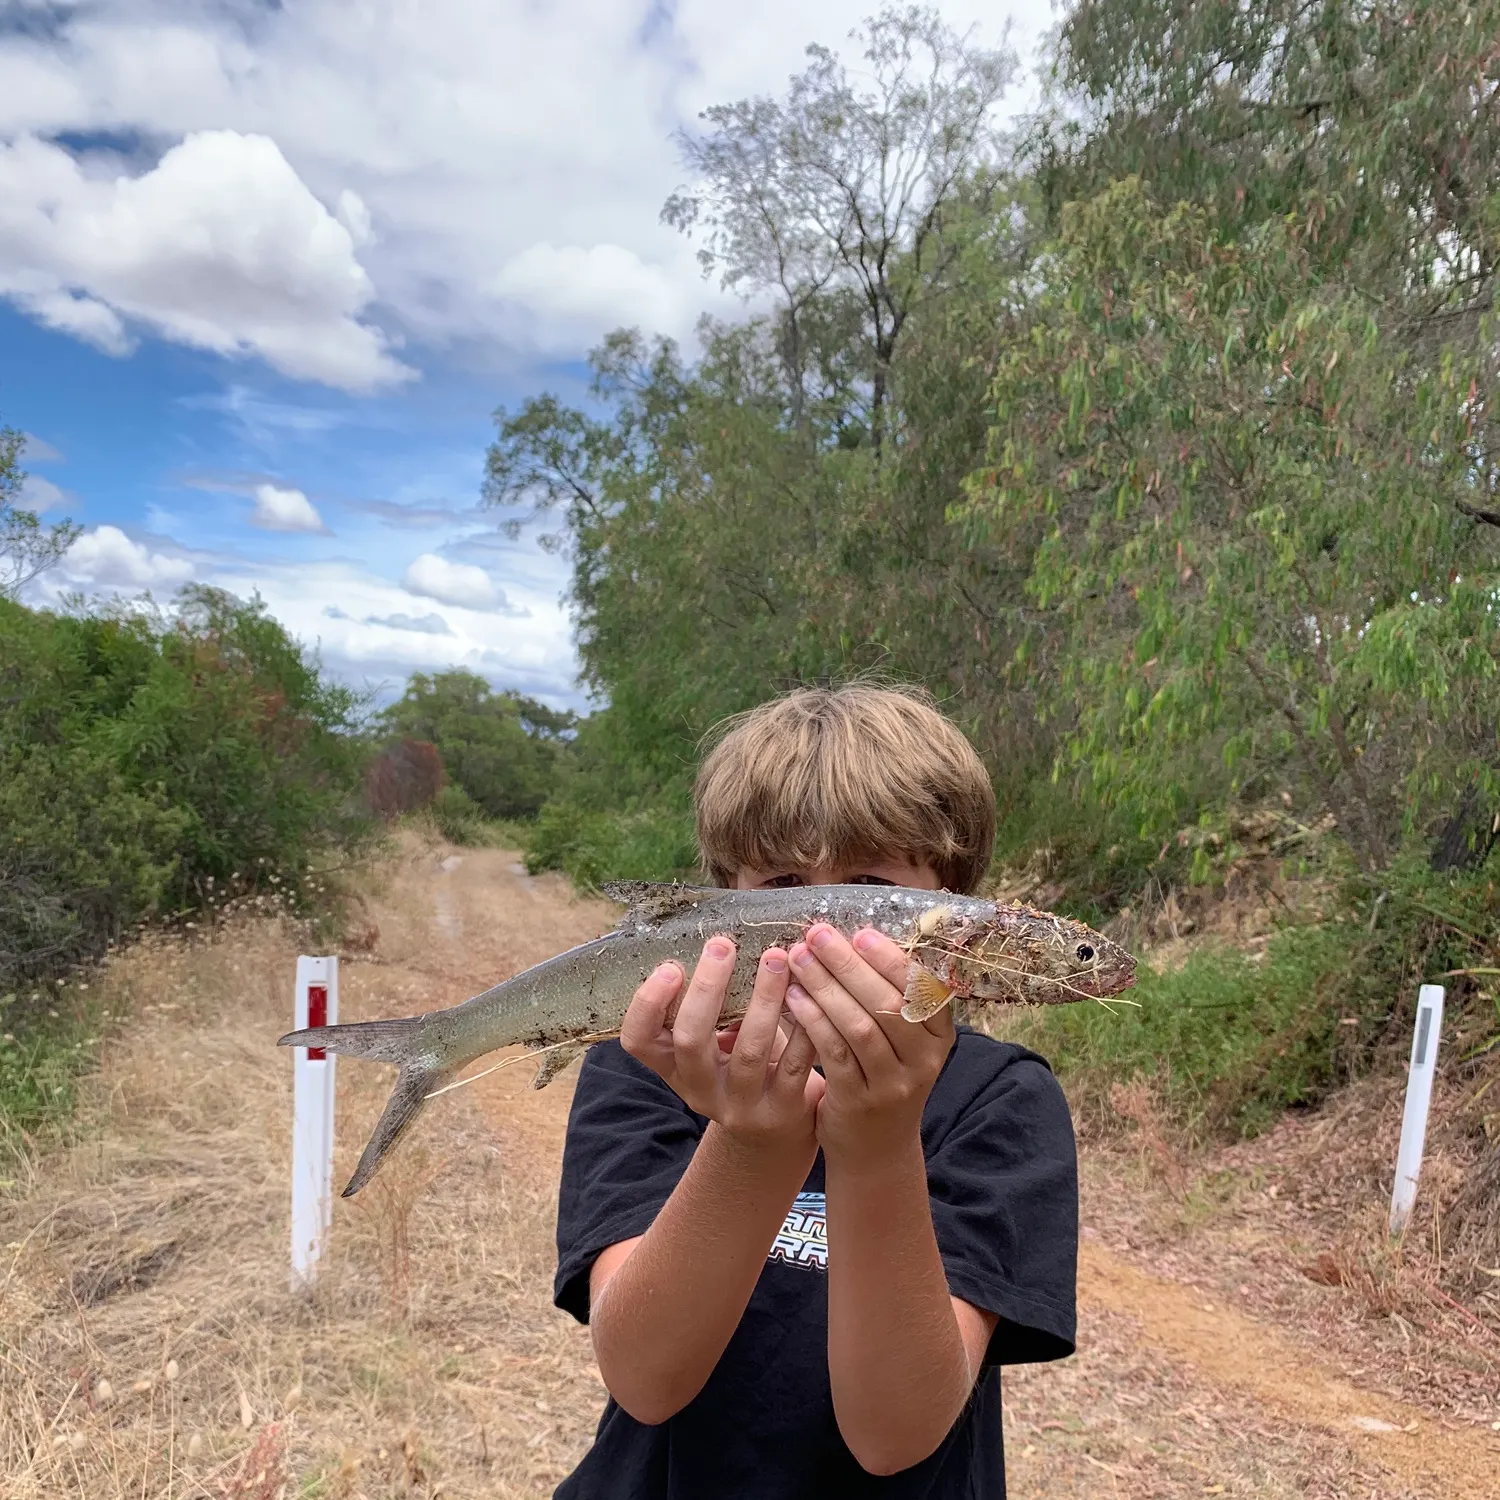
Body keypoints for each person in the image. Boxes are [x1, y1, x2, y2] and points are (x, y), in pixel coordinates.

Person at [551, 684, 1078, 1498]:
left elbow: (893, 1436)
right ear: (716, 907)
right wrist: (752, 1142)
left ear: (956, 907)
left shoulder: (1002, 1100)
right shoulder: (651, 1060)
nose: (818, 935)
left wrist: (876, 1145)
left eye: (866, 882)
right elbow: (645, 1379)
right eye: (785, 887)